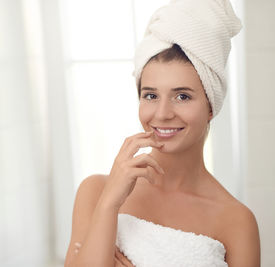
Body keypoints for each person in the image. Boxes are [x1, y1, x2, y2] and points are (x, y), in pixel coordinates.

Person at [64, 0, 260, 266]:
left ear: (210, 107)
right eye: (151, 95)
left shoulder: (236, 221)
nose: (162, 113)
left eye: (182, 96)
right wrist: (110, 202)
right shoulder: (97, 191)